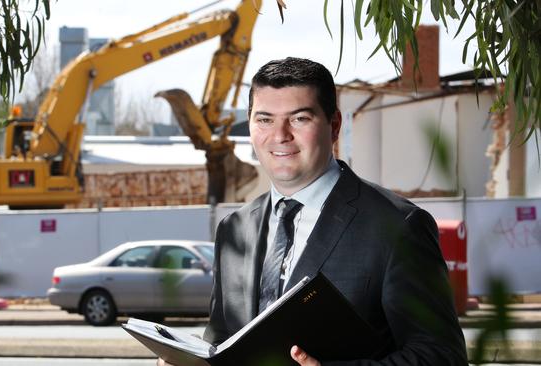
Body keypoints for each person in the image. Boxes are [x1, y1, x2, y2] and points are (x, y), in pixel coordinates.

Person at [159, 57, 467, 365]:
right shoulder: (233, 230)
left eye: (299, 119)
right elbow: (222, 343)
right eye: (264, 119)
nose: (280, 135)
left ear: (334, 126)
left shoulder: (398, 226)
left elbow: (443, 357)